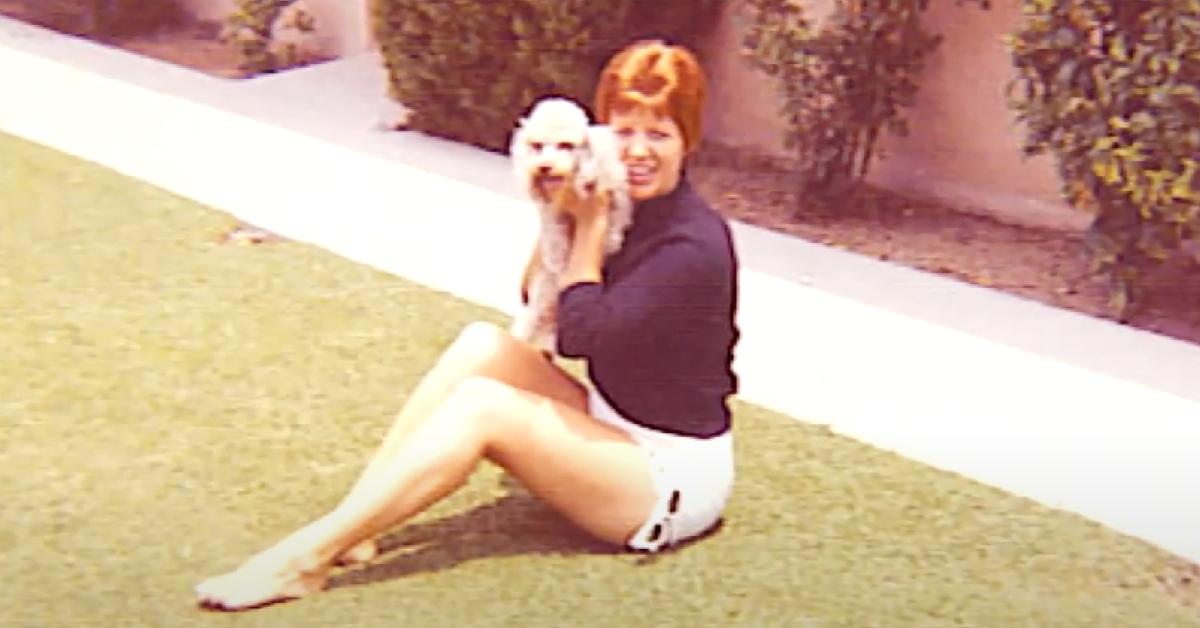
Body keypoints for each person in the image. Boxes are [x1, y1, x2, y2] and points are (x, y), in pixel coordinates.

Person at [195, 39, 740, 611]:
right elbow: (535, 290)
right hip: (615, 421)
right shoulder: (612, 198)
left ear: (689, 141)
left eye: (659, 135)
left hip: (669, 478)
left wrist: (589, 227)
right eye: (623, 132)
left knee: (483, 406)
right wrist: (559, 208)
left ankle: (303, 562)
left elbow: (581, 336)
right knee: (482, 345)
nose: (637, 152)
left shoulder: (692, 245)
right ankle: (358, 524)